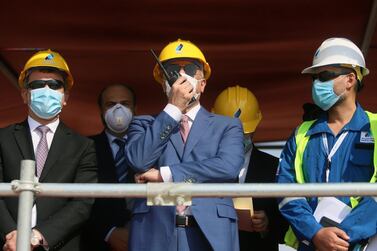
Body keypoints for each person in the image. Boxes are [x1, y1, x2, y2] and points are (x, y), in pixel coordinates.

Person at [125, 39, 244, 251]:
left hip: (210, 235)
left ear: (203, 83)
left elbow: (227, 166)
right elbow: (139, 160)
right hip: (156, 235)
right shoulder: (144, 124)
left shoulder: (228, 126)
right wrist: (173, 109)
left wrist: (165, 175)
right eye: (171, 70)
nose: (181, 76)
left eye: (189, 69)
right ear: (163, 82)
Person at [277, 37, 377, 251]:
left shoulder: (376, 128)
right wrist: (315, 233)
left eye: (323, 76)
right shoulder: (301, 134)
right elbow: (285, 191)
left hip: (361, 245)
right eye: (314, 77)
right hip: (311, 244)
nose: (316, 84)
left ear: (350, 79)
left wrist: (343, 237)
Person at [0, 49, 97, 251]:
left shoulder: (83, 146)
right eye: (37, 85)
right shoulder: (2, 138)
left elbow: (82, 203)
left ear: (65, 96)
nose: (46, 90)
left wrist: (38, 236)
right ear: (25, 95)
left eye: (54, 85)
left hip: (57, 245)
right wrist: (13, 236)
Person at [212, 85, 288, 251]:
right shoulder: (203, 165)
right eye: (231, 133)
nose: (238, 139)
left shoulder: (274, 168)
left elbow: (289, 226)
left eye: (244, 133)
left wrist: (267, 225)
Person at [81, 84, 136, 251]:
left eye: (125, 104)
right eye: (111, 104)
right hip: (96, 242)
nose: (118, 109)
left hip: (144, 236)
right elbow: (77, 199)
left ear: (135, 108)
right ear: (101, 110)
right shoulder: (84, 147)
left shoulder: (149, 147)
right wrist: (108, 232)